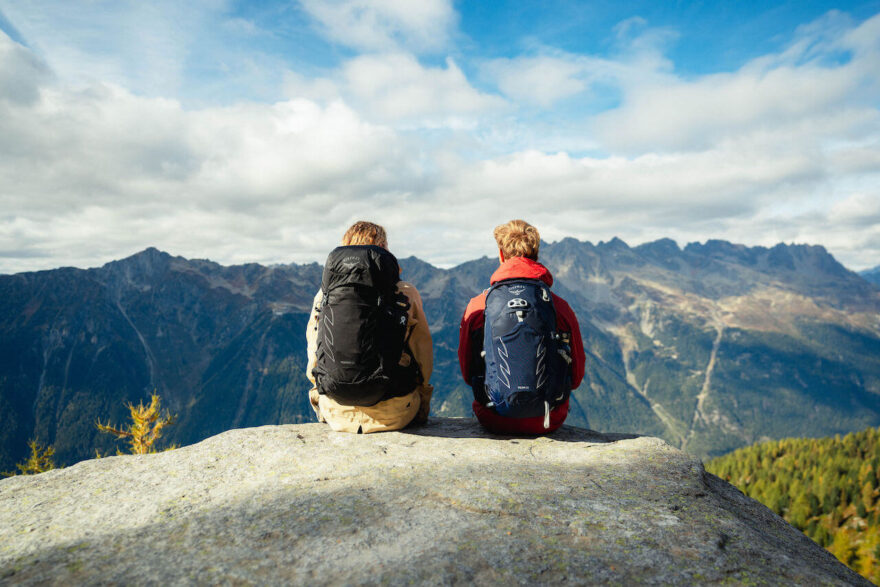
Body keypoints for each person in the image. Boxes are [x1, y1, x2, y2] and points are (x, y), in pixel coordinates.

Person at [458, 219, 585, 434]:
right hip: (548, 418)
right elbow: (576, 376)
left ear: (501, 255)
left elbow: (467, 372)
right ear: (536, 254)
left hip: (493, 417)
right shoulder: (559, 307)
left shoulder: (479, 306)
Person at [306, 221, 433, 433]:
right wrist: (423, 399)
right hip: (394, 413)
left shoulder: (324, 296)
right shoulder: (404, 293)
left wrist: (318, 392)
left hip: (336, 412)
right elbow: (423, 355)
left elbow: (315, 352)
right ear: (382, 249)